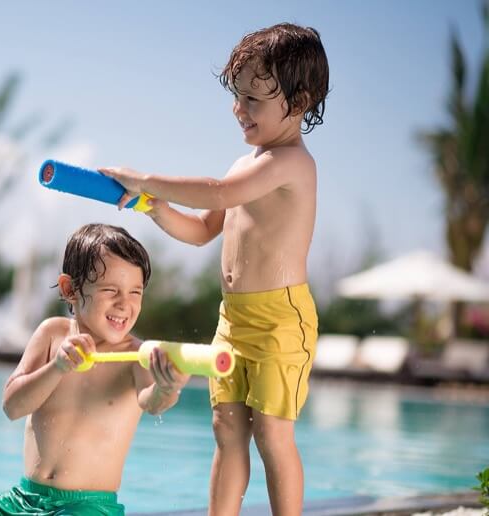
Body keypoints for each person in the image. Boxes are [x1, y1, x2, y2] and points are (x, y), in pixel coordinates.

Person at [100, 23, 329, 516]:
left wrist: (142, 176)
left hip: (280, 320)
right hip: (234, 319)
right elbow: (205, 228)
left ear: (300, 100)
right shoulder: (246, 163)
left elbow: (219, 194)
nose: (238, 109)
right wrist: (151, 205)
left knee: (272, 432)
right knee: (226, 429)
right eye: (237, 95)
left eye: (253, 98)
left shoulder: (291, 164)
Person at [0, 223, 189, 516]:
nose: (124, 304)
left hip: (89, 507)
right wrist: (57, 367)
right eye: (110, 290)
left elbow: (151, 402)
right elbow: (12, 406)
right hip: (22, 499)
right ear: (70, 289)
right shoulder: (52, 334)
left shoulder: (136, 355)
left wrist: (168, 386)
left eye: (135, 292)